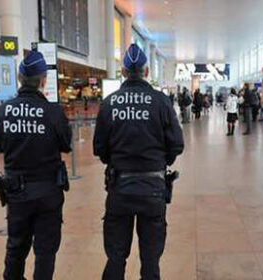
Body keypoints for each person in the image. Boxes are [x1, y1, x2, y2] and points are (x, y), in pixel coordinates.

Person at [93, 44, 184, 279]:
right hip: (153, 189)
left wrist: (115, 161)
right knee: (151, 259)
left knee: (115, 256)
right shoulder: (161, 102)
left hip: (119, 188)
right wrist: (160, 162)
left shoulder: (110, 103)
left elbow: (99, 148)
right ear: (145, 72)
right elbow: (177, 144)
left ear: (123, 71)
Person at [0, 51, 72, 280]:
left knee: (16, 249)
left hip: (16, 193)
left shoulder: (4, 111)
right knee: (45, 252)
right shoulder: (53, 112)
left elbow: (0, 146)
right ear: (43, 80)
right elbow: (66, 144)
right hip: (48, 193)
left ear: (19, 78)